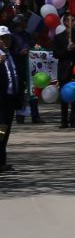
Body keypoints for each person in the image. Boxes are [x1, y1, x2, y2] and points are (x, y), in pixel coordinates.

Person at [0, 27, 19, 172]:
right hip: (1, 100)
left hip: (10, 99)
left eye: (7, 38)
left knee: (5, 130)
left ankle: (2, 161)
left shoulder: (10, 55)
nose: (5, 41)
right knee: (0, 130)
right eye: (2, 38)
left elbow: (15, 77)